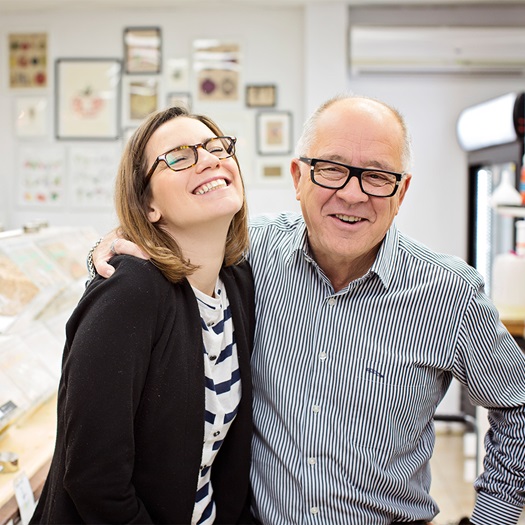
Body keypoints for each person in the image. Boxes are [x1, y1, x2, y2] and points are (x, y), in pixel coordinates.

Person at [91, 95, 525, 524]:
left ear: (402, 191)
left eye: (376, 176)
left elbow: (518, 407)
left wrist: (494, 519)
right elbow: (170, 230)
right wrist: (109, 245)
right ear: (298, 177)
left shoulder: (451, 293)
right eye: (332, 169)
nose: (353, 195)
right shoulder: (248, 256)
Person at [31, 106, 255, 525]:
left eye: (215, 147)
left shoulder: (237, 280)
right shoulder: (130, 291)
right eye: (179, 156)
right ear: (148, 205)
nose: (208, 159)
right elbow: (94, 479)